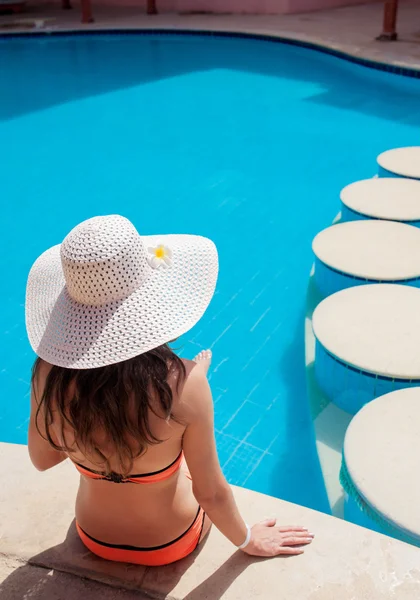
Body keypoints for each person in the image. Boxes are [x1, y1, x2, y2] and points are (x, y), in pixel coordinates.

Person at [26, 215, 314, 567]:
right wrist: (250, 539)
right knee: (182, 455)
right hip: (169, 543)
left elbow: (43, 459)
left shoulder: (48, 374)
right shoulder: (185, 385)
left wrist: (87, 429)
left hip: (93, 535)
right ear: (151, 299)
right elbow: (210, 493)